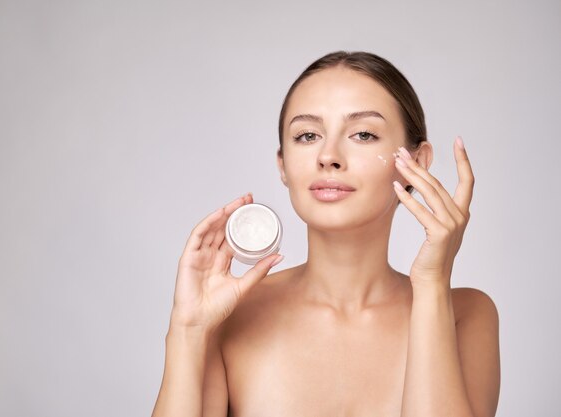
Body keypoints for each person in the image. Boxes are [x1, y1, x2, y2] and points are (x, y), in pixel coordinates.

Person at [151, 51, 501, 417]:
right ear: (283, 165)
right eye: (307, 135)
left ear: (416, 163)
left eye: (363, 134)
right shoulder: (229, 316)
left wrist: (432, 282)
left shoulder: (465, 313)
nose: (328, 155)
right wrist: (188, 331)